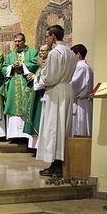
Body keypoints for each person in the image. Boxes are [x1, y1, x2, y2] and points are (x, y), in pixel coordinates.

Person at [35, 25, 77, 177]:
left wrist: (42, 74)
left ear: (53, 36)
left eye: (48, 36)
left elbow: (51, 77)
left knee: (53, 127)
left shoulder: (54, 53)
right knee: (62, 127)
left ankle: (55, 164)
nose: (47, 39)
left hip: (56, 92)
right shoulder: (70, 53)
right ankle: (59, 162)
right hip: (66, 89)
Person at [1, 33, 39, 140]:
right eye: (15, 41)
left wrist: (23, 65)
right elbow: (3, 69)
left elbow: (36, 64)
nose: (17, 44)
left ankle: (26, 135)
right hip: (14, 85)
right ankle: (15, 135)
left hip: (26, 84)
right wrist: (11, 67)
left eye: (19, 41)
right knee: (14, 107)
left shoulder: (32, 53)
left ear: (24, 41)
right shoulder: (10, 56)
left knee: (27, 105)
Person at [24, 44, 51, 151]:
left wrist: (36, 77)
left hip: (43, 97)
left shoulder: (48, 64)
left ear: (49, 51)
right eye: (40, 51)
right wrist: (33, 77)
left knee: (40, 120)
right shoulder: (41, 64)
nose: (41, 53)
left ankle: (40, 147)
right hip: (35, 96)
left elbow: (45, 80)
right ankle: (35, 147)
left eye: (44, 51)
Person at [70, 44, 94, 136]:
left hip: (80, 103)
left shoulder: (81, 67)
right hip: (82, 102)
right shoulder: (85, 67)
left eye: (73, 54)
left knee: (79, 128)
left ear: (78, 54)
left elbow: (74, 85)